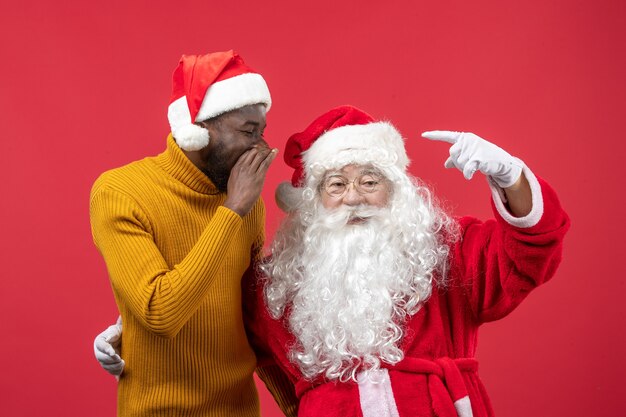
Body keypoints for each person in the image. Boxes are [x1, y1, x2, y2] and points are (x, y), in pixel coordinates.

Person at [96, 105, 569, 417]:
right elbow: (220, 328)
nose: (354, 199)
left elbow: (529, 253)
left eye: (369, 180)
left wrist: (511, 177)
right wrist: (134, 330)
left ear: (396, 190)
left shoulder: (444, 251)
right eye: (336, 185)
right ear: (313, 202)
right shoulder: (276, 286)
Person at [90, 50, 297, 417]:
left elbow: (250, 321)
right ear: (199, 131)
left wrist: (300, 409)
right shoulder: (120, 192)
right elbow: (160, 313)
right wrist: (231, 211)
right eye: (247, 131)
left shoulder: (246, 203)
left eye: (261, 132)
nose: (261, 148)